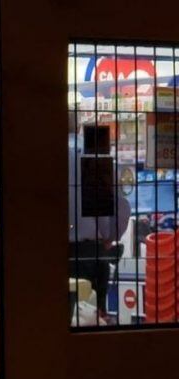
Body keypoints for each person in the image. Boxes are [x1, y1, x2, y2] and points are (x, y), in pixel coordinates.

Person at [68, 112, 130, 319]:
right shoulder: (93, 151)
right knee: (93, 318)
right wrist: (110, 235)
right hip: (90, 252)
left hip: (52, 254)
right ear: (77, 126)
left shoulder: (40, 155)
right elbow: (118, 205)